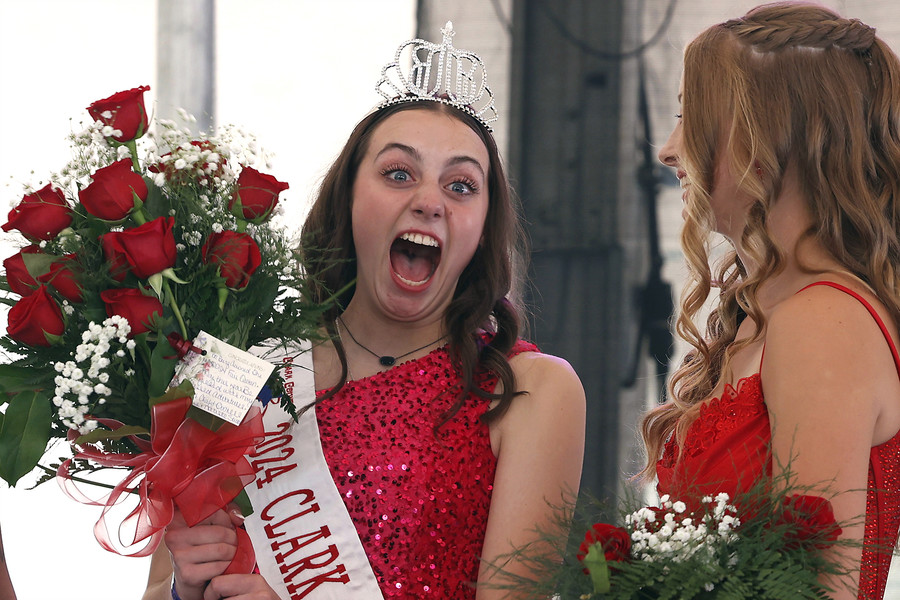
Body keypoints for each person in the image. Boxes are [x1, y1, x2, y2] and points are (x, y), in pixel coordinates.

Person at [146, 23, 586, 600]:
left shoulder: (530, 391)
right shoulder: (235, 364)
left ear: (483, 229)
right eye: (399, 173)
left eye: (461, 186)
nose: (429, 201)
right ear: (349, 199)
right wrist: (186, 585)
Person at [642, 3, 900, 599]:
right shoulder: (772, 307)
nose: (669, 149)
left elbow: (813, 588)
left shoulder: (823, 319)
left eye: (691, 118)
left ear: (766, 136)